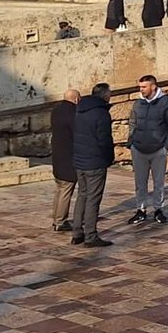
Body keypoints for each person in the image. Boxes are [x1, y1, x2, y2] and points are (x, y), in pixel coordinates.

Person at [127, 74, 168, 225]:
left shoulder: (166, 103)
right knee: (140, 182)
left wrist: (167, 145)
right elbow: (132, 122)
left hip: (158, 149)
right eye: (140, 87)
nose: (141, 89)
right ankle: (141, 210)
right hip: (139, 148)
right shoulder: (138, 104)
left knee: (158, 182)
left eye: (144, 87)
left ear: (153, 86)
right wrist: (131, 142)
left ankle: (158, 210)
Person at [70, 83, 115, 248]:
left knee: (82, 195)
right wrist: (109, 158)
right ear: (105, 95)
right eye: (109, 93)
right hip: (95, 162)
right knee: (93, 199)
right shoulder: (101, 113)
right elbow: (105, 140)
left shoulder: (79, 110)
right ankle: (90, 235)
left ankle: (77, 232)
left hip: (80, 160)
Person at [50, 88, 79, 233]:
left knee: (59, 188)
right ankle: (60, 221)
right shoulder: (73, 113)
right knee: (67, 188)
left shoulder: (56, 110)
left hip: (58, 155)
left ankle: (56, 218)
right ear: (76, 99)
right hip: (69, 157)